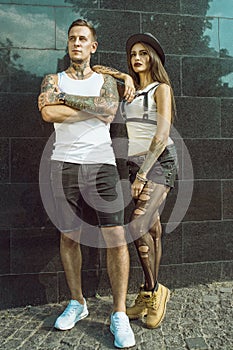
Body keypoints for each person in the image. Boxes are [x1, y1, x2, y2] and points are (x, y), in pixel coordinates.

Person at [38, 19, 135, 349]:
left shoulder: (105, 80)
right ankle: (78, 303)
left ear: (93, 46)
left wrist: (65, 101)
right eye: (72, 39)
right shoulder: (53, 79)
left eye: (83, 39)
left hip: (102, 164)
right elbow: (47, 114)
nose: (76, 43)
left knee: (117, 238)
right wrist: (87, 110)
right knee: (69, 237)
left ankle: (119, 313)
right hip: (63, 164)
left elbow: (108, 108)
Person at [93, 32, 178, 329]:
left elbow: (163, 134)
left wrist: (143, 175)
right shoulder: (129, 89)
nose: (137, 58)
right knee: (152, 229)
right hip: (135, 163)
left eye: (143, 53)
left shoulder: (161, 88)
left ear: (153, 57)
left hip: (158, 163)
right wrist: (124, 77)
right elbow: (98, 69)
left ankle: (154, 292)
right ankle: (149, 292)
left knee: (137, 226)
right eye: (133, 55)